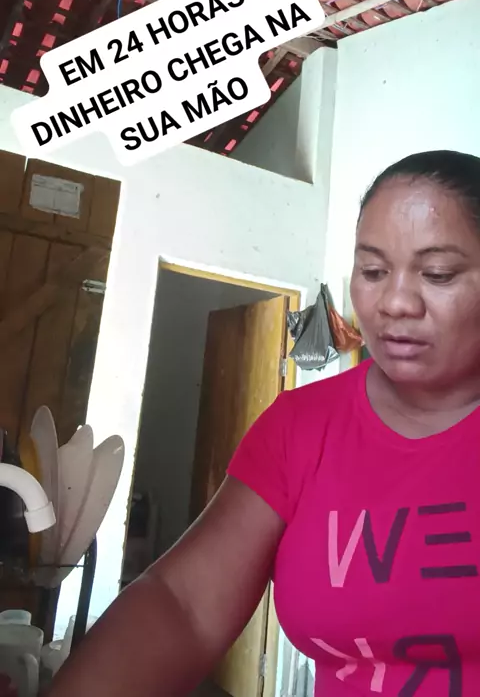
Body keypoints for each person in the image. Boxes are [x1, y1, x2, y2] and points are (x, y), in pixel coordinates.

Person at [46, 149, 480, 697]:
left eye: (438, 274)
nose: (395, 302)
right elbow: (183, 606)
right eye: (372, 271)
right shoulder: (300, 426)